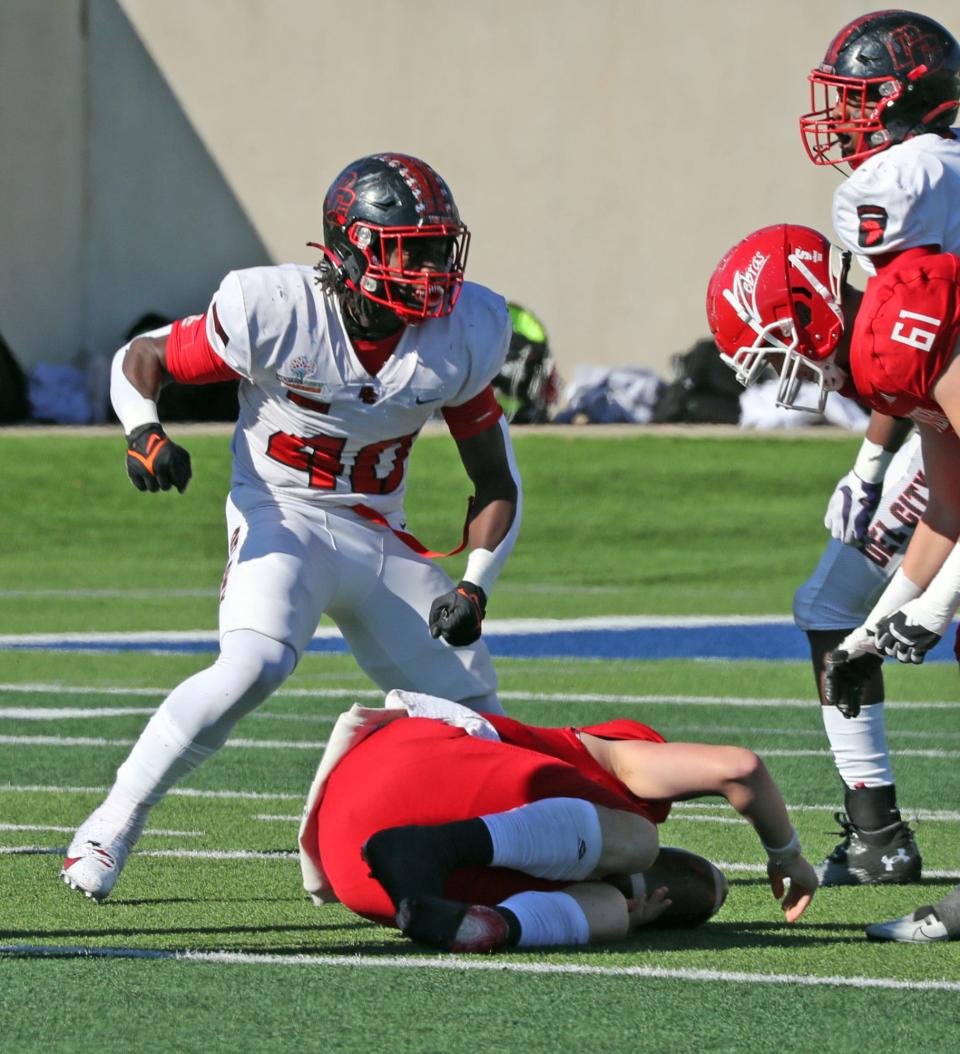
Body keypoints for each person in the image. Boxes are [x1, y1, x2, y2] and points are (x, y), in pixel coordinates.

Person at [61, 153, 522, 902]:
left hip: (379, 532)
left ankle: (490, 856)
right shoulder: (275, 307)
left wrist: (475, 587)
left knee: (476, 719)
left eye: (440, 247)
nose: (433, 269)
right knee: (254, 664)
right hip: (282, 514)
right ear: (350, 250)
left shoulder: (466, 330)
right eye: (412, 249)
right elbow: (144, 356)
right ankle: (111, 823)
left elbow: (495, 480)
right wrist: (143, 431)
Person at [705, 220, 960, 940]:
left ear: (811, 308)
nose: (778, 375)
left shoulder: (896, 331)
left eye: (773, 350)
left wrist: (936, 609)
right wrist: (870, 637)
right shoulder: (884, 357)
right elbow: (947, 511)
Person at [790, 9, 960, 884]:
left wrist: (924, 612)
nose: (845, 118)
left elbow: (906, 334)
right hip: (941, 412)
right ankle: (874, 833)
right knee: (841, 611)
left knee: (829, 605)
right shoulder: (943, 168)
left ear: (904, 98)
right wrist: (869, 459)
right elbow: (919, 349)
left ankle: (876, 834)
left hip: (944, 410)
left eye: (858, 99)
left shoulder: (899, 176)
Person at [297, 691, 818, 952]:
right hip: (388, 824)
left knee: (610, 909)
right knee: (637, 842)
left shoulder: (548, 839)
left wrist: (632, 913)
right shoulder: (605, 757)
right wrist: (787, 854)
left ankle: (485, 927)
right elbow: (738, 768)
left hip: (363, 864)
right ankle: (454, 868)